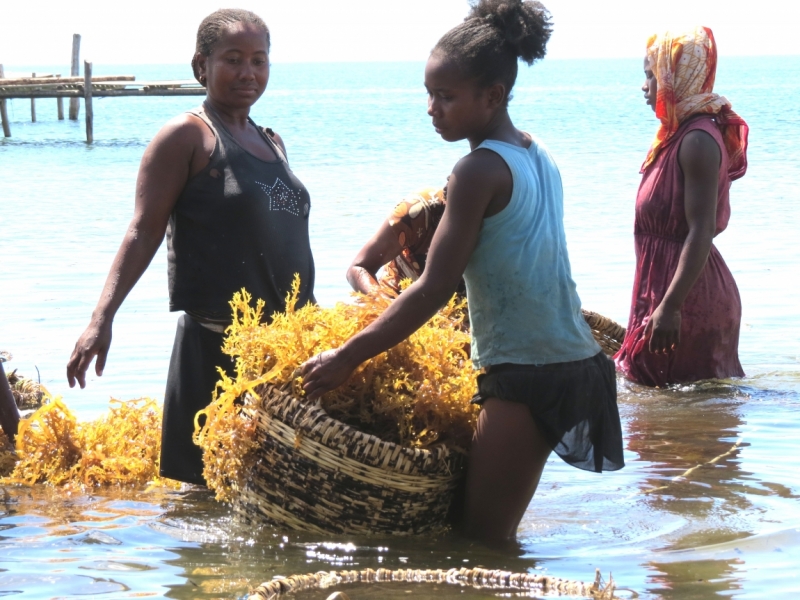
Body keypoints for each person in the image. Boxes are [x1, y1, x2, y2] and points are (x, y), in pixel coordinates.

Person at [301, 0, 623, 544]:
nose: (432, 109)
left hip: (527, 372)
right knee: (486, 526)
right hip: (574, 361)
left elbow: (433, 288)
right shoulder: (535, 152)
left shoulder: (476, 170)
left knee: (482, 542)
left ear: (493, 95)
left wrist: (347, 357)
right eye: (429, 94)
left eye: (445, 97)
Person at [66, 9, 315, 485]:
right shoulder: (187, 136)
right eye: (233, 59)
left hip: (284, 357)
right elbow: (143, 231)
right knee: (202, 505)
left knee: (278, 503)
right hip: (215, 353)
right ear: (201, 65)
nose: (248, 72)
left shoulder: (273, 141)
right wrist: (101, 319)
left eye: (259, 60)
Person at [614, 26, 749, 387]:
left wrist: (671, 306)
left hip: (685, 299)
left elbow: (701, 229)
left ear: (677, 76)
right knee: (666, 420)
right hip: (668, 292)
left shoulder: (697, 140)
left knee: (675, 421)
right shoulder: (678, 135)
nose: (645, 86)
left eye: (651, 75)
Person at [346, 187, 448, 296]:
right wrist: (384, 304)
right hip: (394, 300)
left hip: (457, 307)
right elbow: (359, 267)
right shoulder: (417, 211)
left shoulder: (468, 224)